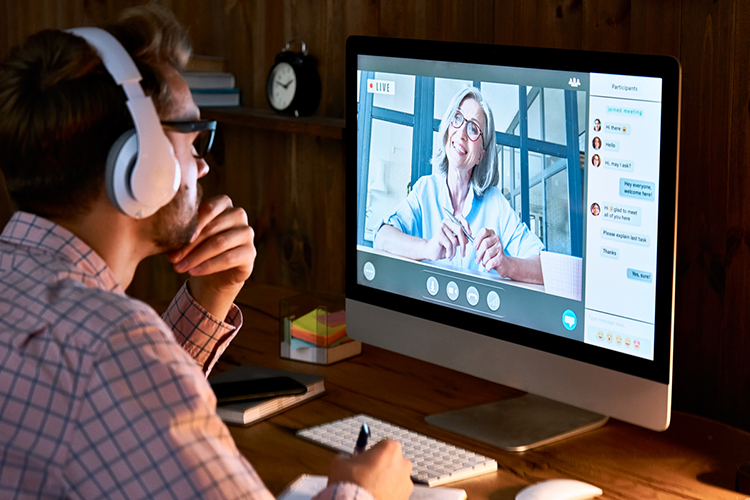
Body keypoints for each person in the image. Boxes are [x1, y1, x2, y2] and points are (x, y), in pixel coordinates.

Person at [0, 5, 412, 500]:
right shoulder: (109, 347)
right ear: (140, 164)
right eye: (193, 138)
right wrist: (363, 491)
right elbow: (114, 377)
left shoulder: (31, 298)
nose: (201, 165)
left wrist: (210, 299)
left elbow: (128, 428)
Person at [374, 87, 544, 284]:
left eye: (473, 128)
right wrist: (428, 248)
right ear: (447, 130)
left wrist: (507, 264)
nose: (462, 133)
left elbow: (543, 267)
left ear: (481, 155)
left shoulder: (496, 203)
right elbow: (382, 239)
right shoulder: (425, 190)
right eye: (457, 118)